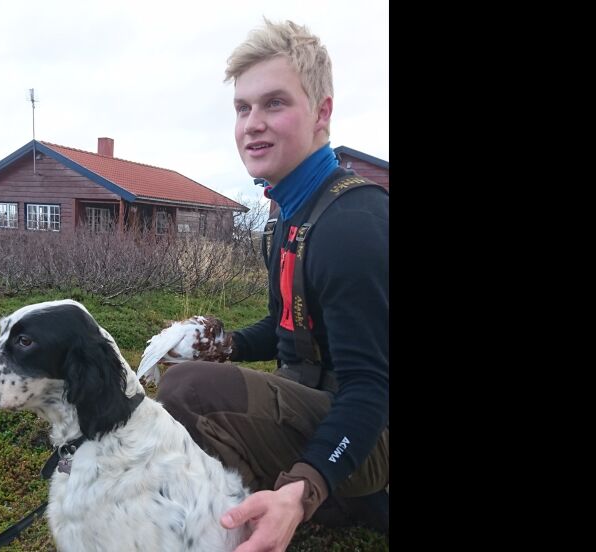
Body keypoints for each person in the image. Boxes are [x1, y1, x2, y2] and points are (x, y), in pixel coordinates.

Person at [154, 18, 389, 551]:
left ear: (322, 113)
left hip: (372, 430)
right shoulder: (289, 213)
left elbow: (371, 389)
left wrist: (305, 489)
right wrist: (226, 343)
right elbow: (290, 328)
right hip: (329, 407)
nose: (252, 124)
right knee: (194, 377)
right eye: (243, 108)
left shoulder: (351, 226)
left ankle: (307, 502)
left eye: (274, 103)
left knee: (188, 389)